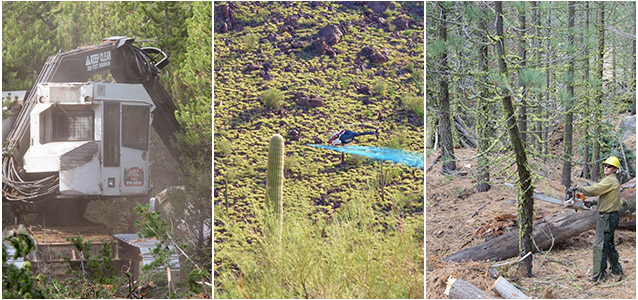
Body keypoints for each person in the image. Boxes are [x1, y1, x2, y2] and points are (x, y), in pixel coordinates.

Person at [568, 156, 623, 282]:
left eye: (609, 167)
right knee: (609, 244)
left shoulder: (610, 180)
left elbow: (594, 190)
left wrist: (579, 188)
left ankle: (598, 276)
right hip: (610, 216)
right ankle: (616, 269)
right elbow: (604, 197)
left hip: (606, 217)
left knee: (600, 245)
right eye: (605, 165)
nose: (606, 168)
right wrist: (591, 203)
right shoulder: (610, 180)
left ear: (615, 169)